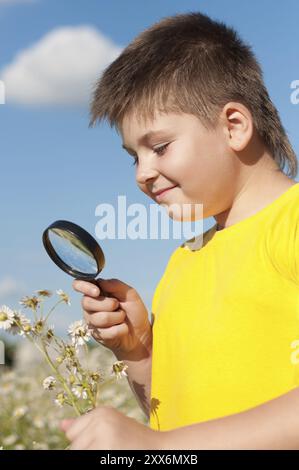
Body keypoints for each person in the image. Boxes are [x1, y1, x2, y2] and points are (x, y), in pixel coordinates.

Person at [60, 11, 299, 449]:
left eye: (160, 147)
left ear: (234, 126)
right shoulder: (182, 262)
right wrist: (137, 354)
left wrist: (159, 449)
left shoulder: (291, 223)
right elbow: (169, 416)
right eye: (134, 156)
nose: (142, 174)